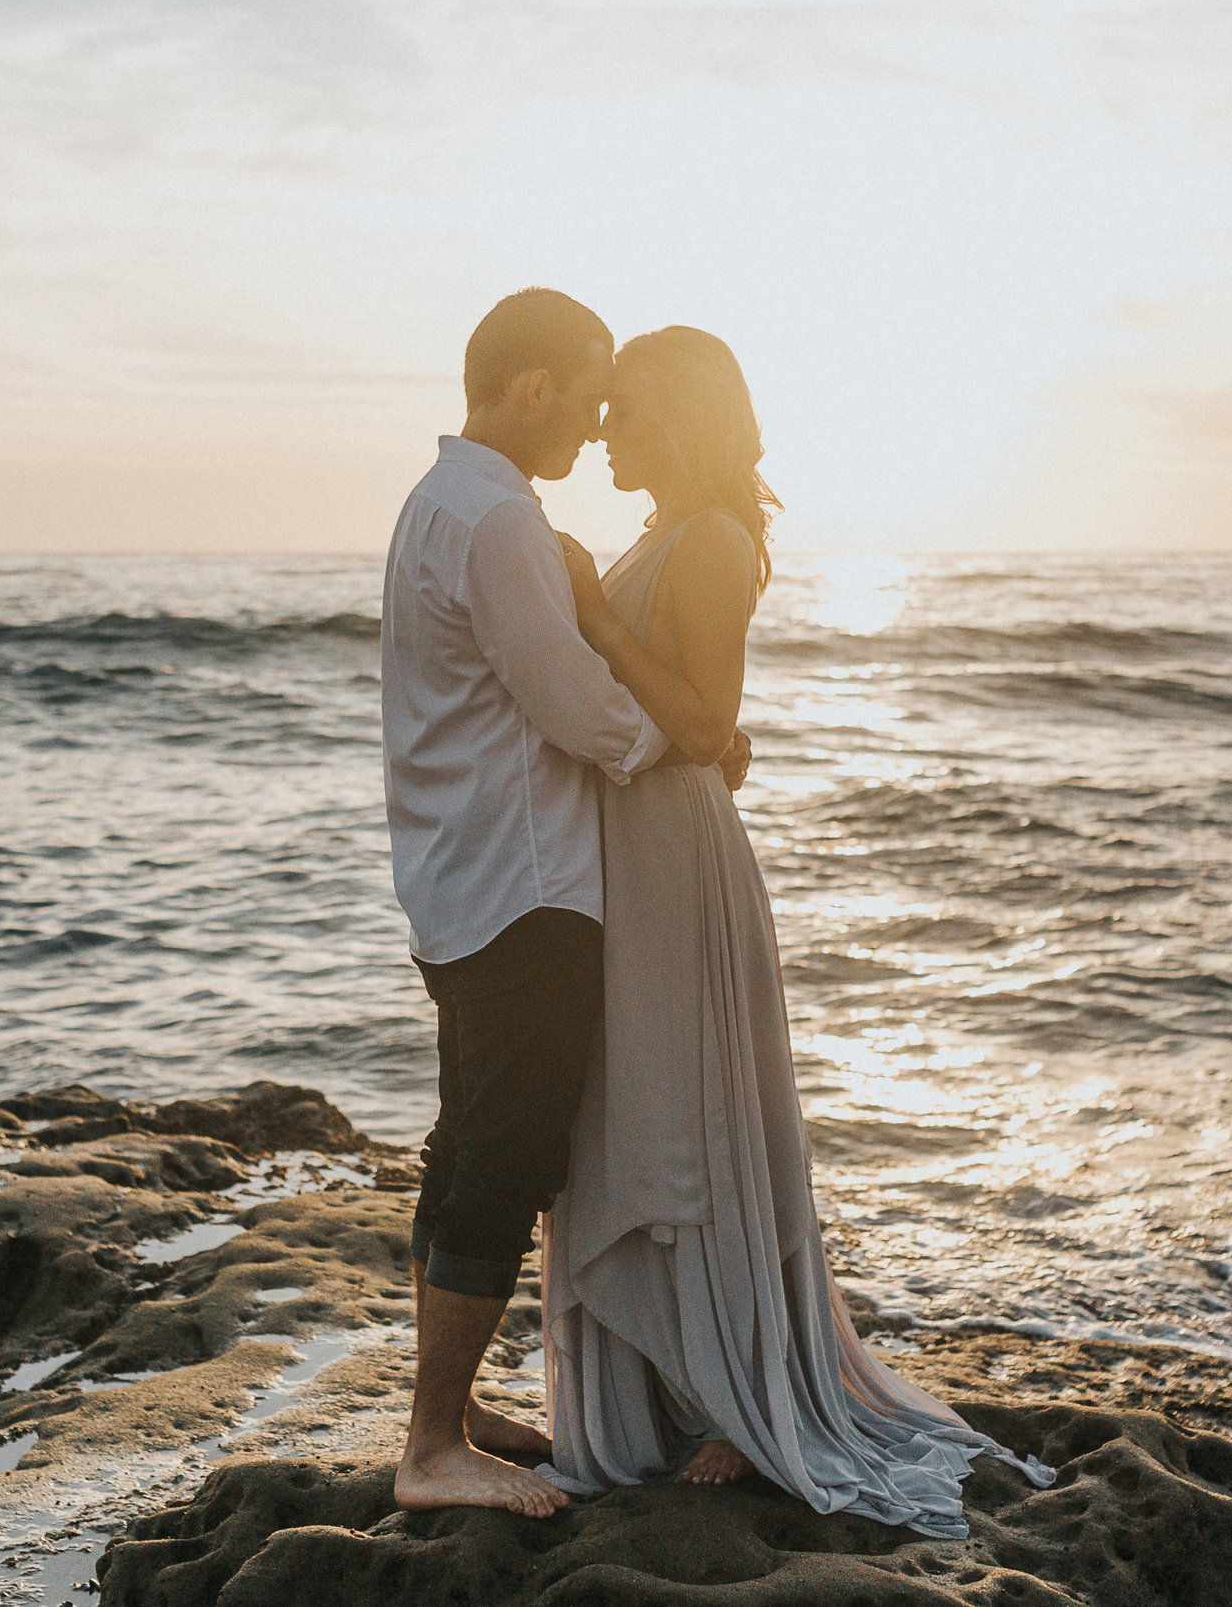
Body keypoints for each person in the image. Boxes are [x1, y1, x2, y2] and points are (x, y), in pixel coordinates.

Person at [542, 326, 1054, 1535]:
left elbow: (703, 716)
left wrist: (593, 621)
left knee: (698, 1108)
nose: (606, 430)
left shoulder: (713, 539)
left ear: (682, 417)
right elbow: (696, 723)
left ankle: (743, 1391)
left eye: (626, 410)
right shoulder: (662, 534)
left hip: (674, 858)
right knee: (639, 1105)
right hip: (637, 851)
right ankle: (673, 1380)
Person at [379, 290, 750, 1517]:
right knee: (507, 1150)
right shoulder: (496, 524)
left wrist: (682, 732)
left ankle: (452, 1407)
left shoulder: (442, 503)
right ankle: (434, 1443)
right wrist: (694, 743)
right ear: (533, 386)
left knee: (467, 1138)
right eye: (589, 390)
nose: (596, 423)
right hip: (525, 885)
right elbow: (576, 706)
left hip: (459, 874)